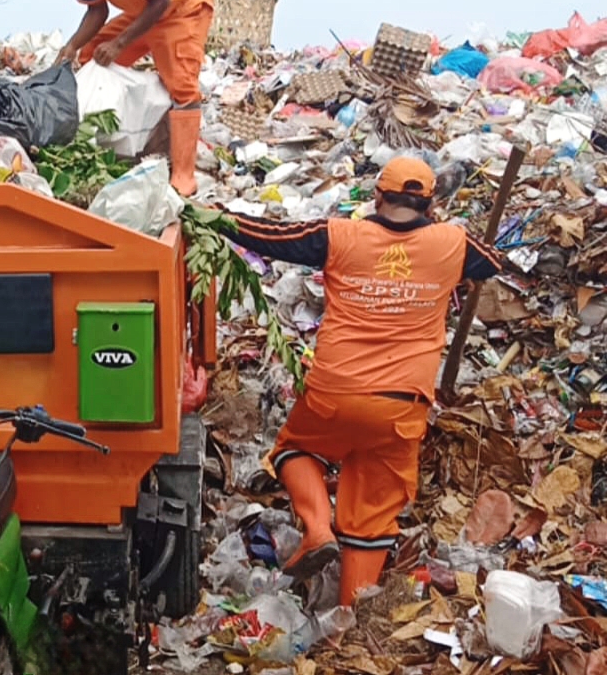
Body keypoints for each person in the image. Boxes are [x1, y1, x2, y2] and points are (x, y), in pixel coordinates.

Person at [211, 156, 503, 605]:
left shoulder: (341, 236)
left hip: (336, 390)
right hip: (402, 405)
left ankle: (317, 529)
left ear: (377, 197)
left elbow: (273, 238)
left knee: (294, 450)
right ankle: (346, 622)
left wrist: (219, 217)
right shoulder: (453, 242)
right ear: (431, 204)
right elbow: (493, 263)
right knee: (371, 519)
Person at [30, 0, 214, 197]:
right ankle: (109, 138)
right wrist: (73, 46)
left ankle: (183, 177)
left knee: (181, 86)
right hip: (142, 12)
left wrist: (118, 45)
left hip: (180, 8)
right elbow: (96, 11)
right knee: (90, 56)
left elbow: (160, 1)